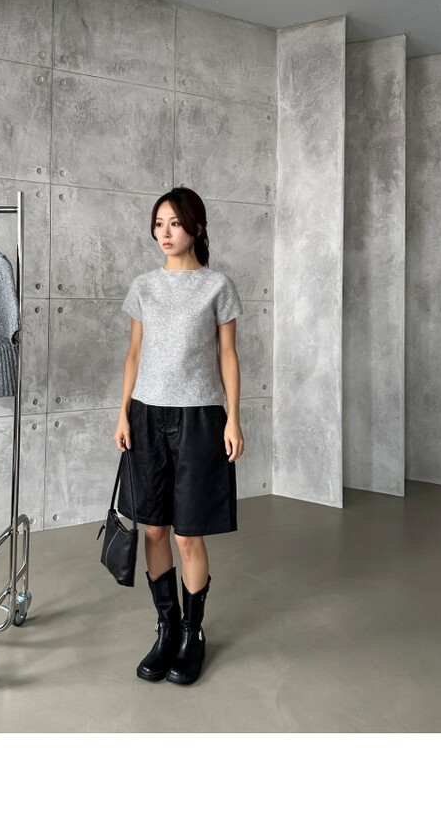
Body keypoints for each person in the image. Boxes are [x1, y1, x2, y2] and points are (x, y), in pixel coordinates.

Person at [114, 187, 245, 685]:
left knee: (188, 534)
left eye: (174, 223)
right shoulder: (144, 286)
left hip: (199, 419)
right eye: (158, 223)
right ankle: (166, 629)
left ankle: (193, 633)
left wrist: (234, 418)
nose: (164, 233)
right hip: (147, 416)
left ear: (197, 227)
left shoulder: (218, 286)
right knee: (153, 528)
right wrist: (123, 413)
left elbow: (228, 355)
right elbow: (134, 354)